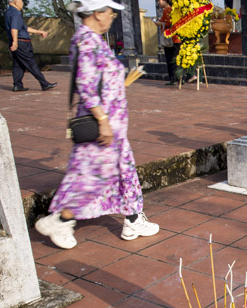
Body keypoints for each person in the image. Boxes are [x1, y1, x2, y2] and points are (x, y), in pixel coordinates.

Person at [35, 0, 159, 249]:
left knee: (125, 171)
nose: (112, 17)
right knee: (94, 177)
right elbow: (85, 85)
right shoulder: (86, 41)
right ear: (96, 13)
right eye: (110, 13)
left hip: (114, 124)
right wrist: (103, 121)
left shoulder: (95, 40)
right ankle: (60, 220)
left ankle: (133, 218)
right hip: (102, 126)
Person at [4, 0, 57, 92]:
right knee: (31, 63)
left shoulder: (9, 12)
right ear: (15, 2)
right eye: (21, 1)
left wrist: (39, 32)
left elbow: (24, 28)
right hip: (21, 43)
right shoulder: (16, 13)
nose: (22, 3)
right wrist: (15, 42)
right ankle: (44, 83)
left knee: (18, 64)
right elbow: (14, 28)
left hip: (16, 41)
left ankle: (17, 85)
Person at [154, 0, 177, 85]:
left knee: (170, 59)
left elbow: (169, 23)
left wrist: (160, 23)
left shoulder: (168, 10)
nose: (158, 2)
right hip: (174, 38)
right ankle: (177, 78)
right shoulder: (170, 9)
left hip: (170, 38)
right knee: (173, 58)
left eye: (160, 0)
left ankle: (173, 78)